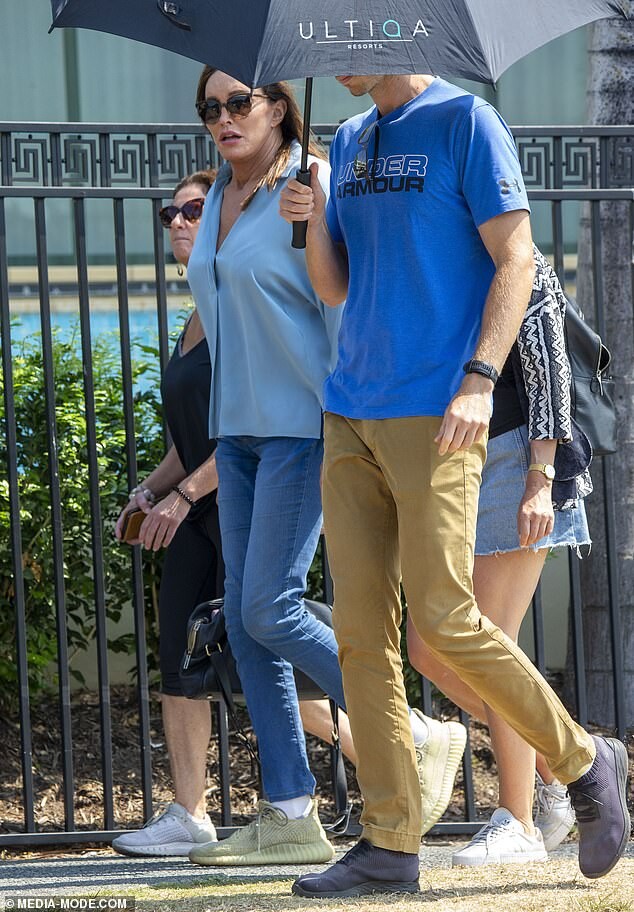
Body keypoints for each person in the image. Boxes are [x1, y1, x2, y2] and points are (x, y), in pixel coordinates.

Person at [280, 73, 630, 896]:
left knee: (445, 616)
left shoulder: (468, 122)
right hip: (351, 409)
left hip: (439, 410)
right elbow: (336, 287)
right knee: (362, 636)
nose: (340, 54)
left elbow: (517, 258)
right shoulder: (352, 138)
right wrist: (314, 215)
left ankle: (585, 760)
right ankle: (389, 841)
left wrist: (480, 378)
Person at [183, 67, 467, 868]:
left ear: (279, 108)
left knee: (269, 606)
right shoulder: (221, 195)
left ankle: (412, 730)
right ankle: (289, 811)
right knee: (247, 618)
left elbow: (343, 303)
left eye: (240, 103)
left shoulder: (314, 179)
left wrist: (317, 221)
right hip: (237, 429)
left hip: (305, 423)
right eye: (210, 108)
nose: (224, 118)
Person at [111, 172, 356, 857]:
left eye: (195, 209)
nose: (181, 222)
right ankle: (234, 811)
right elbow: (198, 432)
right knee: (201, 655)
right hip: (202, 502)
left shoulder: (249, 299)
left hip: (237, 492)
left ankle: (401, 738)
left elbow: (261, 409)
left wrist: (188, 493)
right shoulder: (202, 312)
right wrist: (152, 490)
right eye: (171, 213)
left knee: (268, 625)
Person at [407, 246, 591, 867]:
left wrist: (541, 479)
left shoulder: (518, 256)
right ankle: (570, 762)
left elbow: (551, 371)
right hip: (451, 458)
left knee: (490, 643)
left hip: (517, 457)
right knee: (427, 647)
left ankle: (520, 821)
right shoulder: (433, 249)